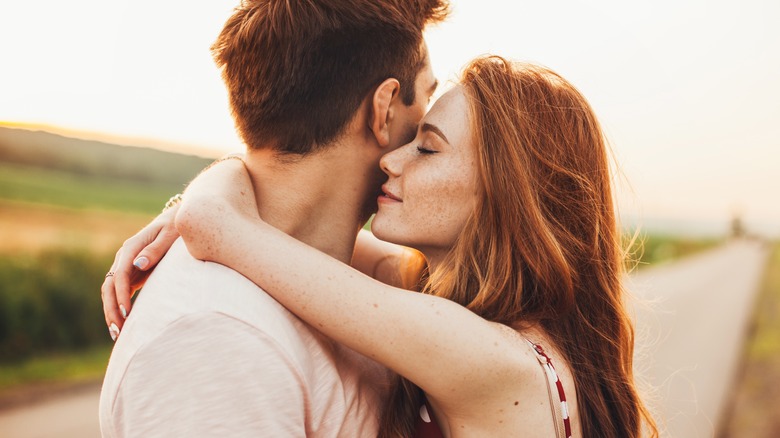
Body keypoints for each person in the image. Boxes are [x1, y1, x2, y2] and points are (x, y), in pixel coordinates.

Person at [108, 58, 659, 436]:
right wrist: (204, 198)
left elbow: (221, 227)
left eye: (427, 148)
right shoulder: (451, 306)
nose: (392, 160)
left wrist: (190, 208)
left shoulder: (493, 357)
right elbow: (294, 236)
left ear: (507, 192)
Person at [98, 0, 447, 436]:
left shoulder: (356, 277)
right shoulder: (216, 340)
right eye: (428, 96)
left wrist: (204, 202)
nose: (429, 121)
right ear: (385, 107)